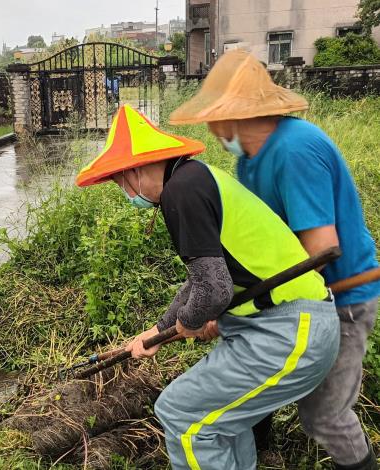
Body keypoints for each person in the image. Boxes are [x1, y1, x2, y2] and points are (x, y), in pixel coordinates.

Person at [76, 104, 340, 469]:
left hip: (291, 329)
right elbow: (203, 279)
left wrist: (190, 321)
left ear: (136, 169)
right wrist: (159, 330)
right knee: (221, 424)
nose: (124, 190)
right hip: (289, 325)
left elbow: (213, 291)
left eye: (121, 180)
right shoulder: (195, 178)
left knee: (180, 412)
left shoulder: (180, 191)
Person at [169, 49, 380, 470]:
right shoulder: (249, 162)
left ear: (234, 114)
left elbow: (317, 253)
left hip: (340, 299)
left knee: (325, 415)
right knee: (247, 387)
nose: (211, 128)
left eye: (213, 115)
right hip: (288, 302)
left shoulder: (295, 150)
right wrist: (221, 302)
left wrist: (234, 302)